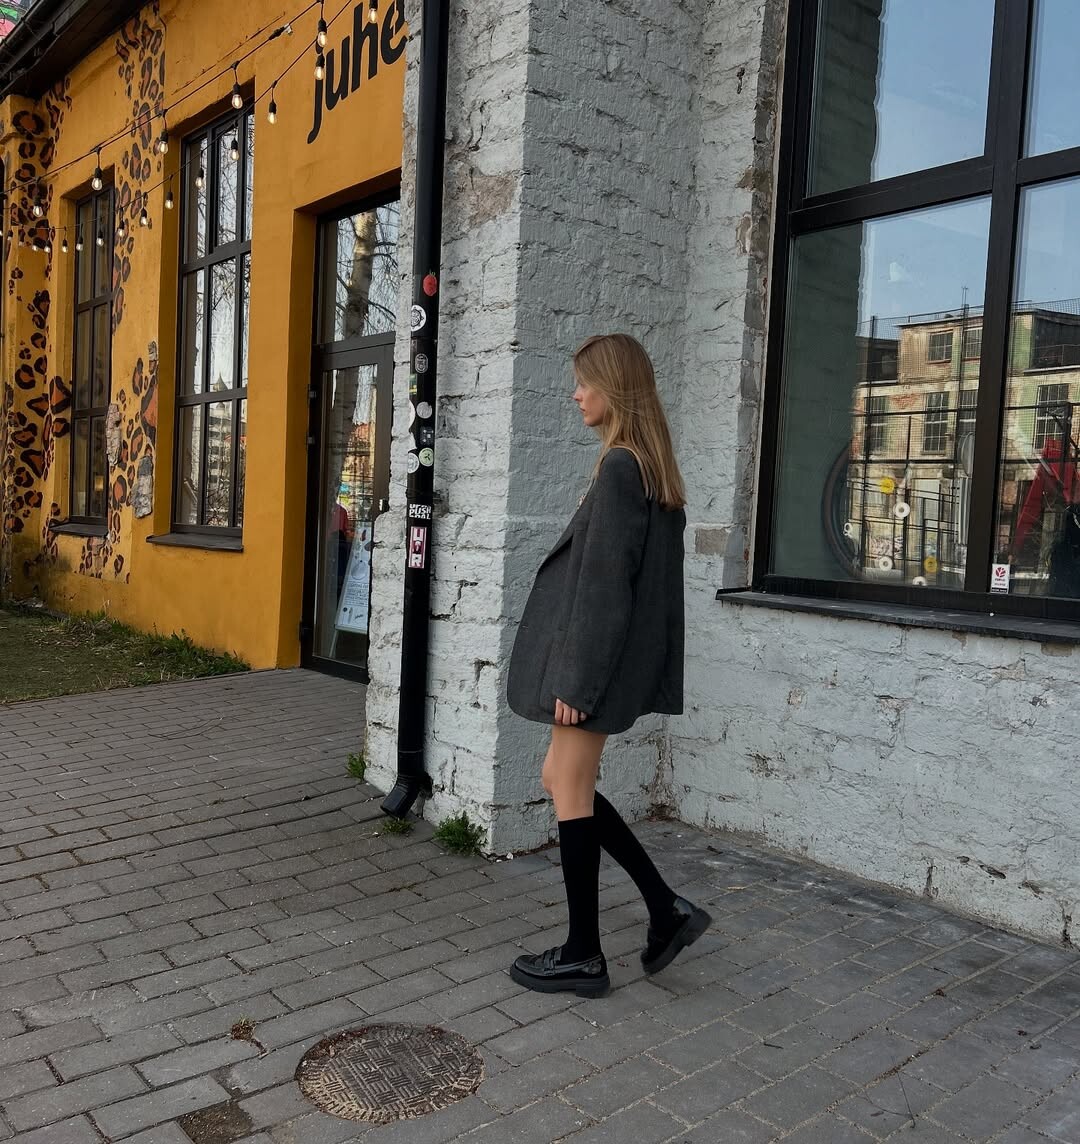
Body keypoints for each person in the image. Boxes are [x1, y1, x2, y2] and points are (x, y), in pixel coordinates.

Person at [506, 333, 711, 997]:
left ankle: (584, 954)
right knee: (561, 777)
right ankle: (664, 910)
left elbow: (605, 588)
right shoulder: (645, 468)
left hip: (593, 664)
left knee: (568, 785)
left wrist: (577, 679)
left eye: (585, 382)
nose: (576, 394)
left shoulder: (623, 468)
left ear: (614, 389)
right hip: (610, 661)